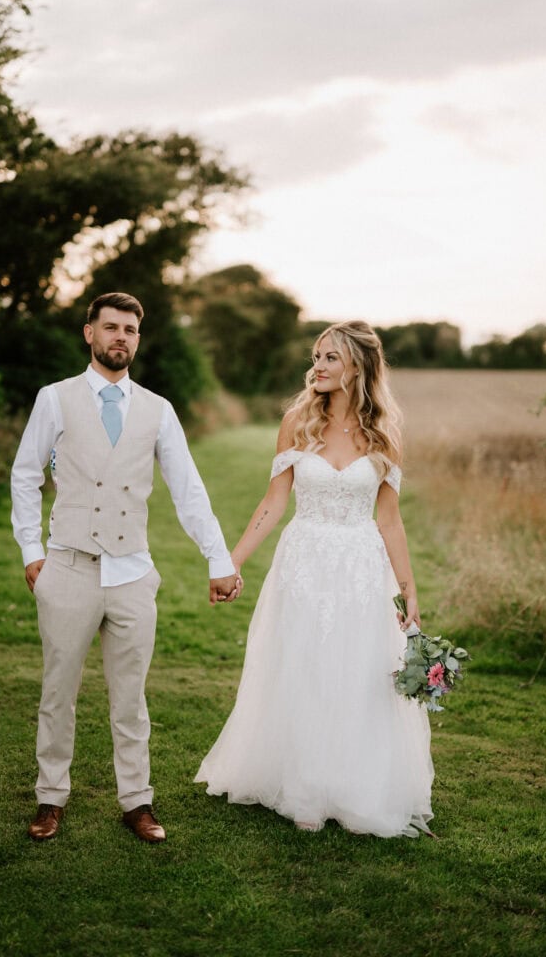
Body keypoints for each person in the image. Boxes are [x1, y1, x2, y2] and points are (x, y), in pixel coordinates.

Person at [11, 292, 241, 843]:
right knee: (57, 692)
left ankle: (136, 801)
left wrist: (219, 558)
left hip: (133, 574)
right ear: (88, 333)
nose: (121, 337)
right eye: (110, 327)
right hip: (67, 566)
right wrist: (31, 552)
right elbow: (24, 476)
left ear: (138, 339)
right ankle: (50, 797)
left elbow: (188, 489)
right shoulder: (54, 398)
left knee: (131, 697)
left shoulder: (158, 410)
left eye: (130, 330)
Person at [195, 320, 434, 837]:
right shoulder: (298, 422)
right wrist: (230, 562)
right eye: (316, 356)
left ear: (358, 366)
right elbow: (273, 501)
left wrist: (408, 591)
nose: (317, 366)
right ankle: (304, 786)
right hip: (304, 564)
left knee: (357, 673)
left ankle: (351, 788)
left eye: (329, 358)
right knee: (304, 665)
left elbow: (389, 520)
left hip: (361, 569)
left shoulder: (385, 434)